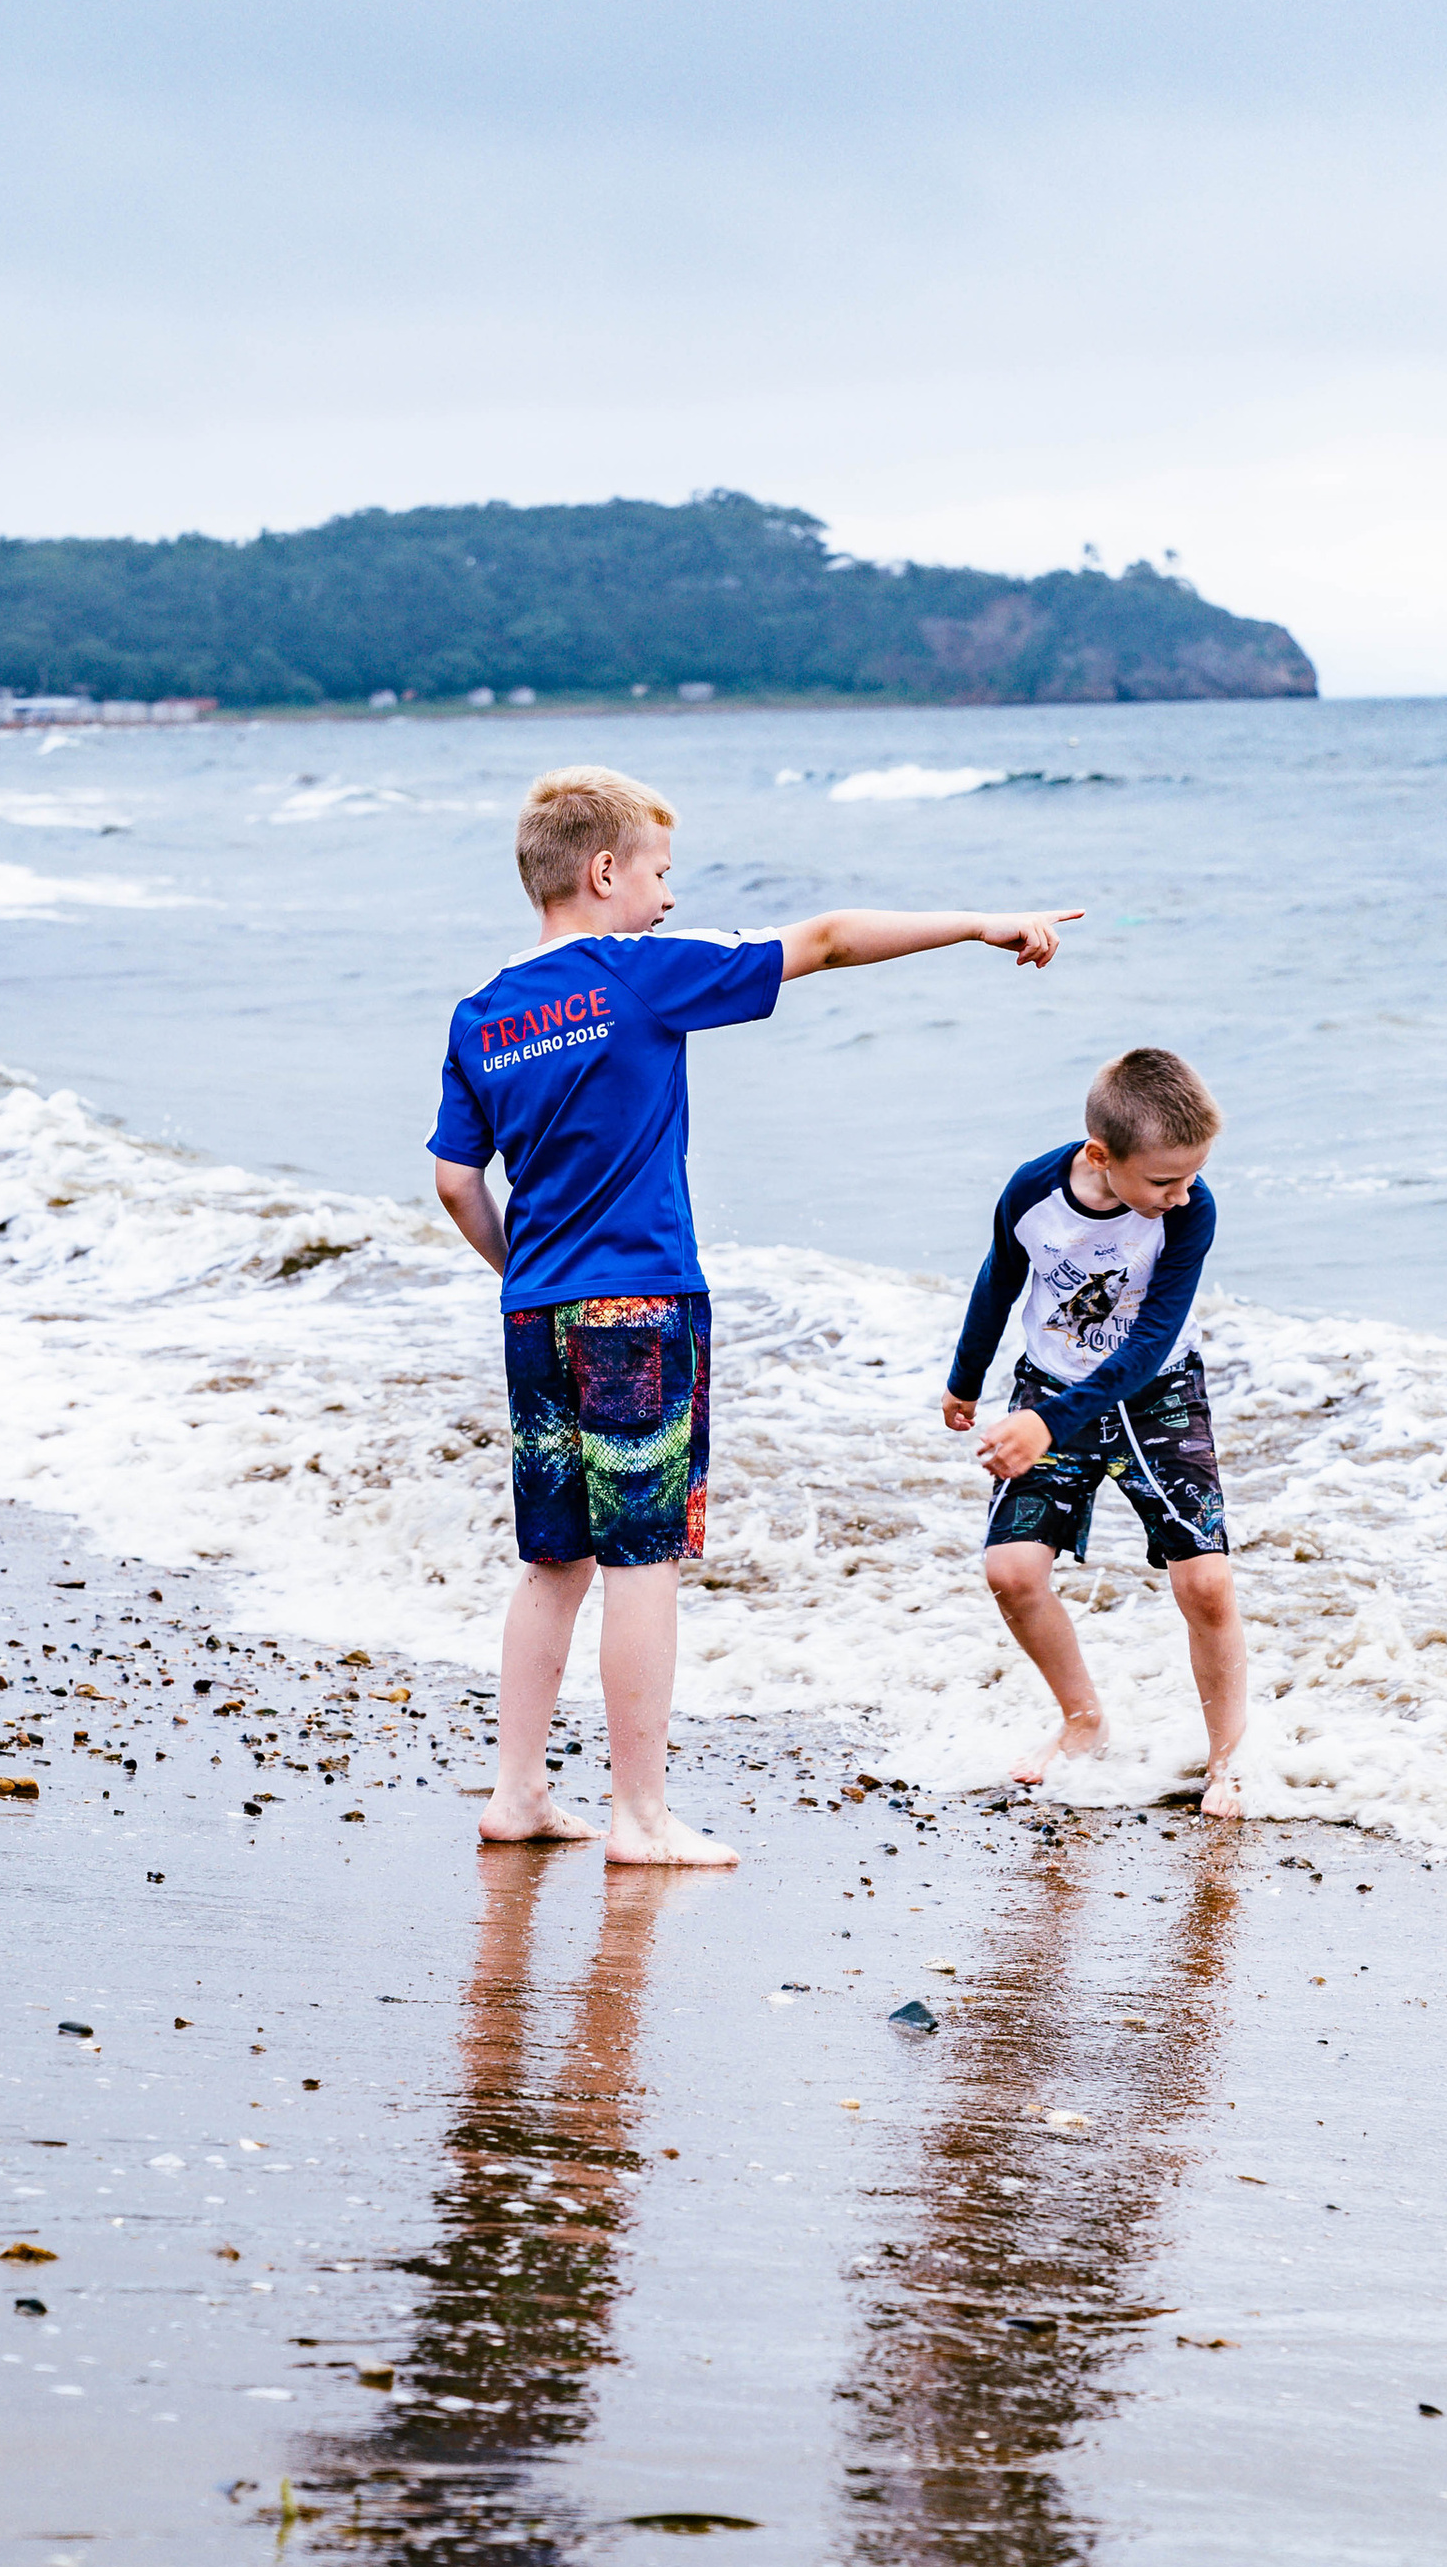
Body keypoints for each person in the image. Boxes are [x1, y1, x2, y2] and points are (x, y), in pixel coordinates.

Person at [431, 762, 1078, 1869]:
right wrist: (982, 923)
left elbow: (455, 1181)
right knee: (642, 1562)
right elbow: (822, 939)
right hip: (638, 1304)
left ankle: (518, 1792)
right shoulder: (634, 972)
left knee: (554, 1563)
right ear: (601, 872)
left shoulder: (481, 1012)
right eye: (658, 874)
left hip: (535, 1311)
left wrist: (522, 1270)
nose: (670, 898)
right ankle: (639, 1816)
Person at [941, 1047, 1245, 1819]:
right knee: (1011, 1571)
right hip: (1051, 1383)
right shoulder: (1032, 1192)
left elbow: (1148, 1346)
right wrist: (965, 1379)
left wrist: (1046, 1424)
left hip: (1159, 1391)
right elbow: (998, 1279)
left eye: (1190, 1177)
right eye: (1164, 1181)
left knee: (1204, 1581)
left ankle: (1228, 1760)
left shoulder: (1193, 1212)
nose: (1181, 1196)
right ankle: (1084, 1720)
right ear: (1100, 1156)